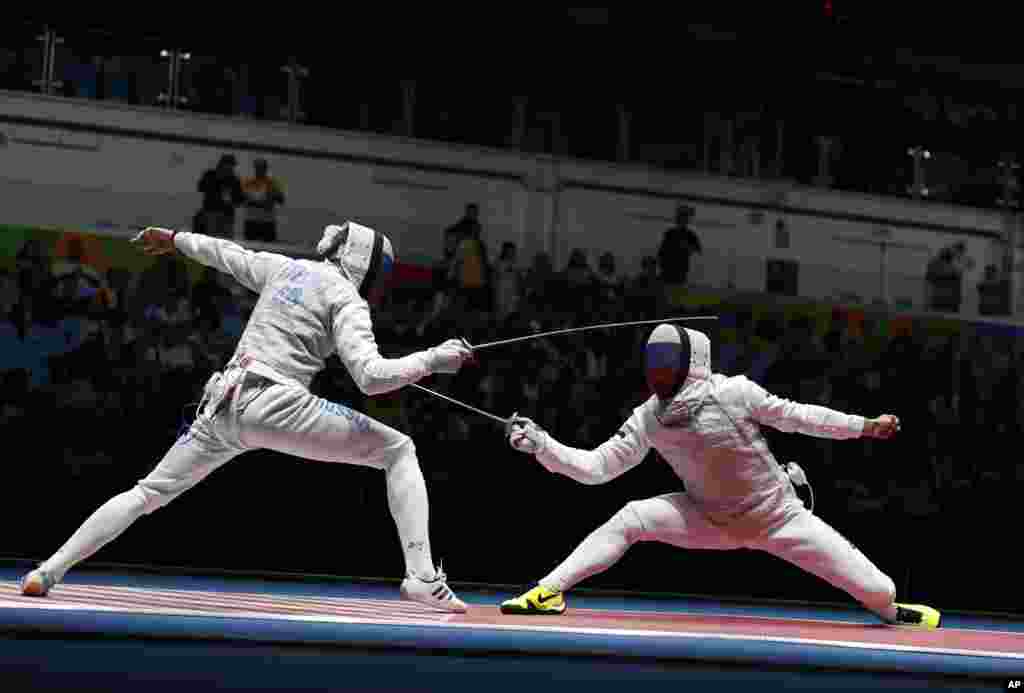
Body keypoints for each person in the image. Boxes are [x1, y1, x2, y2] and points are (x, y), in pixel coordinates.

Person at [20, 221, 475, 613]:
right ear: (366, 264)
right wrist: (434, 358)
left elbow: (227, 254)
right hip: (276, 403)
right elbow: (372, 379)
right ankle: (419, 575)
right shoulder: (347, 301)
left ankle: (49, 569)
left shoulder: (285, 268)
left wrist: (176, 238)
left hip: (222, 403)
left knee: (147, 493)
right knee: (399, 449)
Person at [498, 324, 941, 628]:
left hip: (779, 518)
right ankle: (548, 591)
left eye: (666, 359)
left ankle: (889, 609)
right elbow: (596, 469)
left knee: (881, 591)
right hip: (706, 518)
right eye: (652, 360)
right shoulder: (648, 418)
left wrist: (864, 425)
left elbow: (800, 417)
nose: (656, 369)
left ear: (692, 360)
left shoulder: (733, 393)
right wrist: (543, 445)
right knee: (632, 516)